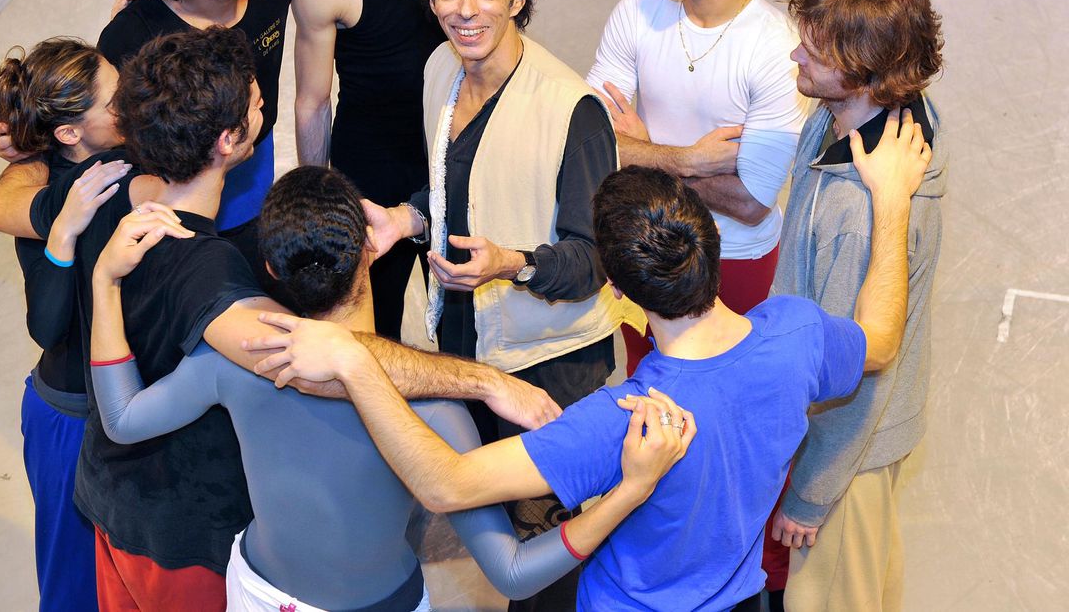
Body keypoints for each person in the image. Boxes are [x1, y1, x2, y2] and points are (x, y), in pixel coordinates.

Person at [253, 108, 932, 611]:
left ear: (617, 290)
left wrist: (353, 359)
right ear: (708, 243)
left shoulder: (625, 419)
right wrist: (893, 199)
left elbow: (446, 486)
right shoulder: (796, 333)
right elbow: (881, 340)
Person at [0, 26, 565, 612]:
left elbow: (121, 414)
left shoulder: (102, 183)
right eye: (258, 104)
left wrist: (97, 270)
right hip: (181, 539)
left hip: (110, 508)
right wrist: (485, 382)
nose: (266, 106)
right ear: (228, 140)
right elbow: (322, 360)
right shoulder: (210, 276)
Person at [86, 165, 687, 612]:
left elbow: (121, 419)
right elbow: (513, 572)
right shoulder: (436, 411)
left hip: (258, 594)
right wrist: (630, 490)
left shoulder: (235, 361)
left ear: (270, 268)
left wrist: (104, 282)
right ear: (370, 247)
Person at [330, 0, 637, 610]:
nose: (464, 9)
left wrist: (511, 263)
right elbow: (457, 185)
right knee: (487, 527)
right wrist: (407, 218)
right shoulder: (440, 70)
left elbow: (593, 259)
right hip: (464, 343)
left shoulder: (572, 109)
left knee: (546, 554)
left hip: (548, 361)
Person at [0, 0, 478, 280]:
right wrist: (28, 140)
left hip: (251, 176)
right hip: (179, 192)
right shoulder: (133, 36)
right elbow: (85, 116)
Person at [293, 0, 501, 341]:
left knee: (473, 335)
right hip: (370, 176)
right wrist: (320, 199)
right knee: (368, 341)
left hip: (460, 158)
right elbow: (312, 103)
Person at [768, 0, 946, 612]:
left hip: (847, 453)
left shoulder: (858, 211)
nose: (796, 56)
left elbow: (856, 368)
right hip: (856, 443)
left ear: (865, 74)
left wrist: (812, 491)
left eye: (814, 53)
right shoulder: (854, 117)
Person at [586, 0, 806, 369]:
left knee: (729, 395)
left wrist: (642, 158)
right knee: (648, 390)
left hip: (736, 258)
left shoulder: (775, 48)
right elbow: (588, 141)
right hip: (642, 244)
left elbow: (750, 202)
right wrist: (686, 160)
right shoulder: (636, 13)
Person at [0, 38, 130, 612]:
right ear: (69, 132)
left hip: (134, 409)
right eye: (113, 100)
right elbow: (46, 326)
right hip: (70, 418)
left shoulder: (137, 156)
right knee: (75, 586)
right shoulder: (49, 202)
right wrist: (63, 234)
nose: (130, 101)